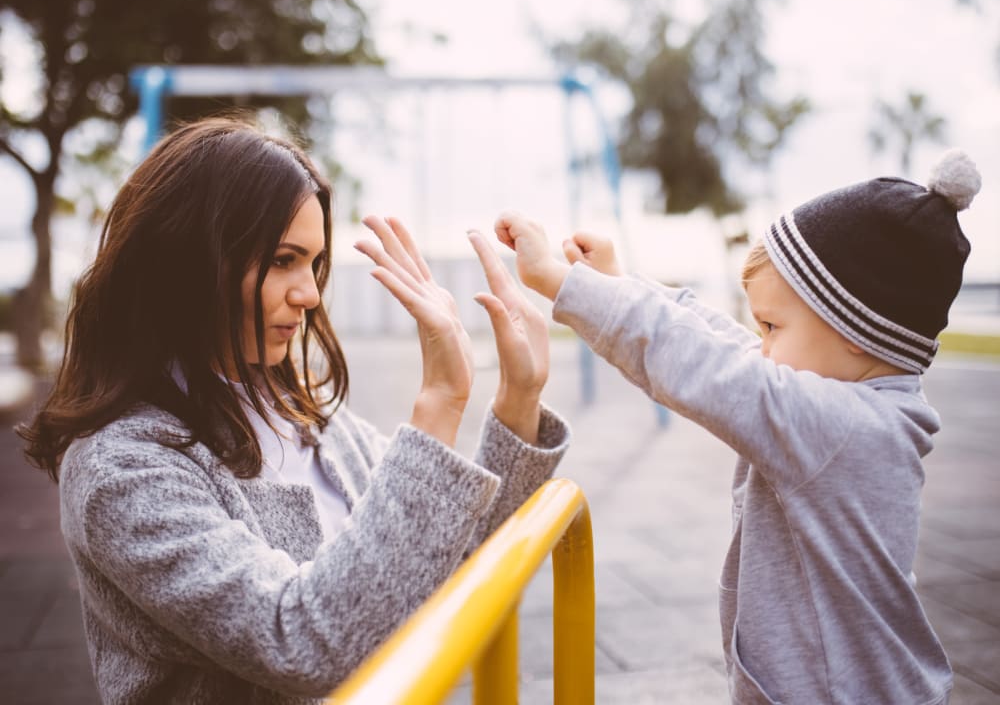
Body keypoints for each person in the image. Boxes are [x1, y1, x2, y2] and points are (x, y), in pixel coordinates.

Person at [17, 116, 568, 704]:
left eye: (313, 264)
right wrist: (439, 404)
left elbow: (447, 558)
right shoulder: (120, 468)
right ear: (187, 260)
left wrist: (518, 400)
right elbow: (301, 642)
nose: (308, 294)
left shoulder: (311, 422)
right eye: (283, 260)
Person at [493, 149, 982, 705]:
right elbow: (727, 344)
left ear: (855, 330)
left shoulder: (841, 426)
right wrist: (618, 283)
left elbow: (707, 365)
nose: (763, 345)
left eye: (773, 325)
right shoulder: (856, 401)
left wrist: (563, 285)